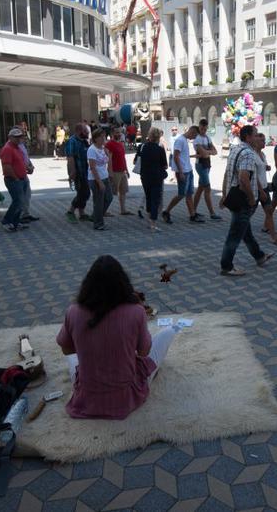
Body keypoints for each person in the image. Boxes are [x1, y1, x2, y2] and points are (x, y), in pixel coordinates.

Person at [56, 255, 179, 419]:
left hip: (87, 396)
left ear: (88, 285)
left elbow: (66, 349)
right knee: (169, 332)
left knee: (73, 361)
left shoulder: (73, 311)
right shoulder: (136, 311)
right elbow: (144, 352)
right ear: (123, 284)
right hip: (126, 396)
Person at [219, 124, 272, 276]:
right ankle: (226, 266)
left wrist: (224, 195)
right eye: (256, 135)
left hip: (233, 197)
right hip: (242, 201)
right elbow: (243, 178)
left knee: (244, 230)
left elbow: (227, 173)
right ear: (248, 137)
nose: (258, 137)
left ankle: (259, 256)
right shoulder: (248, 153)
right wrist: (250, 199)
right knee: (235, 235)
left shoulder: (235, 149)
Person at [162, 126, 203, 224]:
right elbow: (175, 156)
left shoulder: (184, 140)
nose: (194, 138)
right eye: (195, 135)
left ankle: (192, 215)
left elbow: (182, 156)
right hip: (183, 172)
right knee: (181, 194)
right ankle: (166, 211)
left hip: (188, 170)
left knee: (189, 194)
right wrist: (180, 172)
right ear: (192, 132)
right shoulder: (180, 140)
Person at [252, 132, 277, 245]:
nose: (264, 142)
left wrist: (267, 167)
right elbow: (253, 175)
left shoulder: (263, 154)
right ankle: (239, 229)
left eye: (264, 140)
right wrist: (260, 191)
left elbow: (262, 167)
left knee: (269, 211)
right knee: (248, 213)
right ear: (255, 142)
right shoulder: (252, 155)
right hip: (256, 189)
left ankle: (274, 237)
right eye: (262, 140)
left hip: (264, 187)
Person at [0, 127, 30, 232]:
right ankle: (7, 221)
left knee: (20, 202)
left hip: (22, 178)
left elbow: (20, 162)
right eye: (16, 137)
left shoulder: (17, 147)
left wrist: (27, 169)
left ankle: (15, 222)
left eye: (20, 137)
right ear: (10, 137)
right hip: (14, 180)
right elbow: (7, 167)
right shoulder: (7, 149)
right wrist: (16, 178)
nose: (18, 139)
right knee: (18, 201)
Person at [137, 127, 167, 232]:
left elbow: (137, 160)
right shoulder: (160, 149)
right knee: (155, 200)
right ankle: (153, 224)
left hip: (145, 177)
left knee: (149, 198)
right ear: (158, 136)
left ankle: (150, 221)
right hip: (156, 177)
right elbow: (165, 165)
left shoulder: (142, 147)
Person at [192, 118, 222, 221]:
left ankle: (193, 212)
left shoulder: (208, 138)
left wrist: (206, 152)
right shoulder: (197, 139)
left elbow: (216, 151)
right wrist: (208, 152)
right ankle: (212, 213)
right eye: (201, 128)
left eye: (204, 129)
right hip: (201, 166)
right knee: (207, 189)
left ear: (207, 128)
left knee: (200, 189)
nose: (203, 130)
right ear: (199, 127)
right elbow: (206, 154)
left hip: (207, 165)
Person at [87, 129, 114, 231]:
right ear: (95, 138)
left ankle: (95, 216)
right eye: (101, 137)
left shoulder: (103, 148)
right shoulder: (92, 150)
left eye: (104, 136)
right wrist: (99, 182)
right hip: (95, 179)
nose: (103, 139)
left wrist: (109, 156)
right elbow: (93, 167)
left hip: (104, 177)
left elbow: (107, 162)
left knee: (109, 198)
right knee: (99, 202)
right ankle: (98, 223)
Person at [65, 123, 92, 223]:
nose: (87, 133)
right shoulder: (72, 142)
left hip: (85, 171)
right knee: (83, 193)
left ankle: (82, 213)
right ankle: (70, 211)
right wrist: (72, 172)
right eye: (85, 131)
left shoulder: (84, 141)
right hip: (77, 172)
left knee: (84, 192)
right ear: (78, 131)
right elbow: (70, 158)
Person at [106, 128, 131, 215]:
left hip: (122, 170)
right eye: (117, 132)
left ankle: (123, 210)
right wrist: (110, 171)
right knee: (111, 192)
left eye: (120, 132)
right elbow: (109, 159)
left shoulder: (120, 144)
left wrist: (126, 170)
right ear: (112, 133)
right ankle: (103, 210)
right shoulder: (109, 144)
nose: (119, 134)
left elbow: (123, 158)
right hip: (115, 171)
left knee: (123, 191)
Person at [15, 124, 38, 223]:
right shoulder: (14, 147)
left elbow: (25, 157)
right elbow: (17, 161)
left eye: (23, 133)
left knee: (27, 194)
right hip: (17, 175)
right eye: (21, 133)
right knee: (19, 196)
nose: (23, 135)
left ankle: (25, 214)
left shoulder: (22, 144)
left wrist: (30, 165)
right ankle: (18, 216)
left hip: (24, 173)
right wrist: (27, 167)